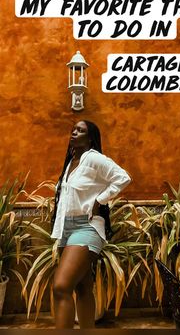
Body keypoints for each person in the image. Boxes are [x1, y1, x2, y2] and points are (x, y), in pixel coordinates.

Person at [51, 120, 131, 329]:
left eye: (81, 130)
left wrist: (99, 200)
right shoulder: (71, 162)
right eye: (73, 129)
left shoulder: (94, 159)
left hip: (86, 227)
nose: (74, 132)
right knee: (83, 288)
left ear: (90, 138)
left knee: (61, 287)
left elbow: (123, 177)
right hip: (66, 229)